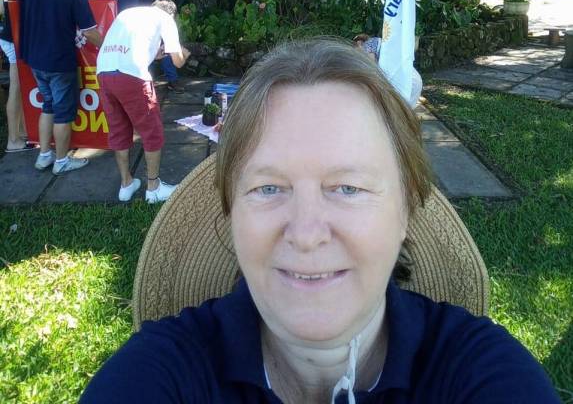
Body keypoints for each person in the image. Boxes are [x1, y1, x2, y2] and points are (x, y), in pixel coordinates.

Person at [81, 38, 559, 403]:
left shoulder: (480, 376)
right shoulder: (160, 377)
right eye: (269, 188)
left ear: (406, 212)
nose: (307, 235)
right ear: (232, 214)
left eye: (348, 188)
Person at [0, 0, 102, 174]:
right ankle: (61, 161)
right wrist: (110, 47)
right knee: (63, 113)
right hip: (59, 61)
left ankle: (44, 156)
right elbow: (89, 32)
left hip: (35, 59)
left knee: (48, 106)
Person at [96, 0, 190, 203]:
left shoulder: (128, 13)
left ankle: (126, 185)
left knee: (119, 129)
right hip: (132, 76)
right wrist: (183, 53)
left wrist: (156, 52)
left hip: (104, 71)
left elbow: (130, 47)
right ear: (171, 13)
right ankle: (153, 188)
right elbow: (177, 62)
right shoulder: (165, 18)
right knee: (151, 131)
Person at [0, 0, 43, 151]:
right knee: (16, 89)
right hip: (13, 39)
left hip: (12, 37)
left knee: (21, 87)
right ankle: (13, 140)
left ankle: (23, 134)